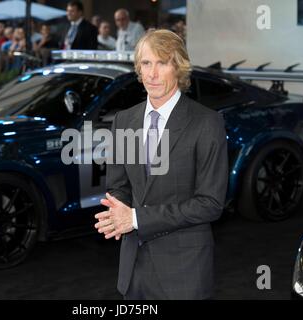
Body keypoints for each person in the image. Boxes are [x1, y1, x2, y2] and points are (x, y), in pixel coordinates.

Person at [95, 30, 228, 299]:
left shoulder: (206, 123)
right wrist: (117, 211)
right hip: (133, 272)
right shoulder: (123, 120)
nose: (152, 74)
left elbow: (210, 203)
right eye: (146, 63)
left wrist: (134, 218)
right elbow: (118, 185)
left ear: (178, 68)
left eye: (162, 63)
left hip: (184, 273)